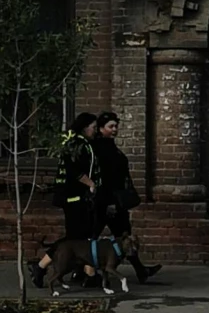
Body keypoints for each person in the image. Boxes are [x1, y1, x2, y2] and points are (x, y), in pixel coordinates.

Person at [31, 109, 100, 288]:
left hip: (79, 198)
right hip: (73, 198)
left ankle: (89, 274)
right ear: (85, 128)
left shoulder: (83, 143)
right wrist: (90, 183)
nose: (96, 130)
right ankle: (40, 266)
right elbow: (74, 170)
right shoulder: (76, 145)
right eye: (93, 127)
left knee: (82, 237)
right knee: (73, 239)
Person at [93, 109, 160, 284]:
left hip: (113, 202)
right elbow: (106, 179)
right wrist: (110, 203)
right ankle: (81, 271)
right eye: (111, 126)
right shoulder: (102, 149)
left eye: (116, 126)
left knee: (123, 237)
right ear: (101, 128)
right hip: (109, 202)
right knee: (102, 237)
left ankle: (140, 270)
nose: (115, 129)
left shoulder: (109, 146)